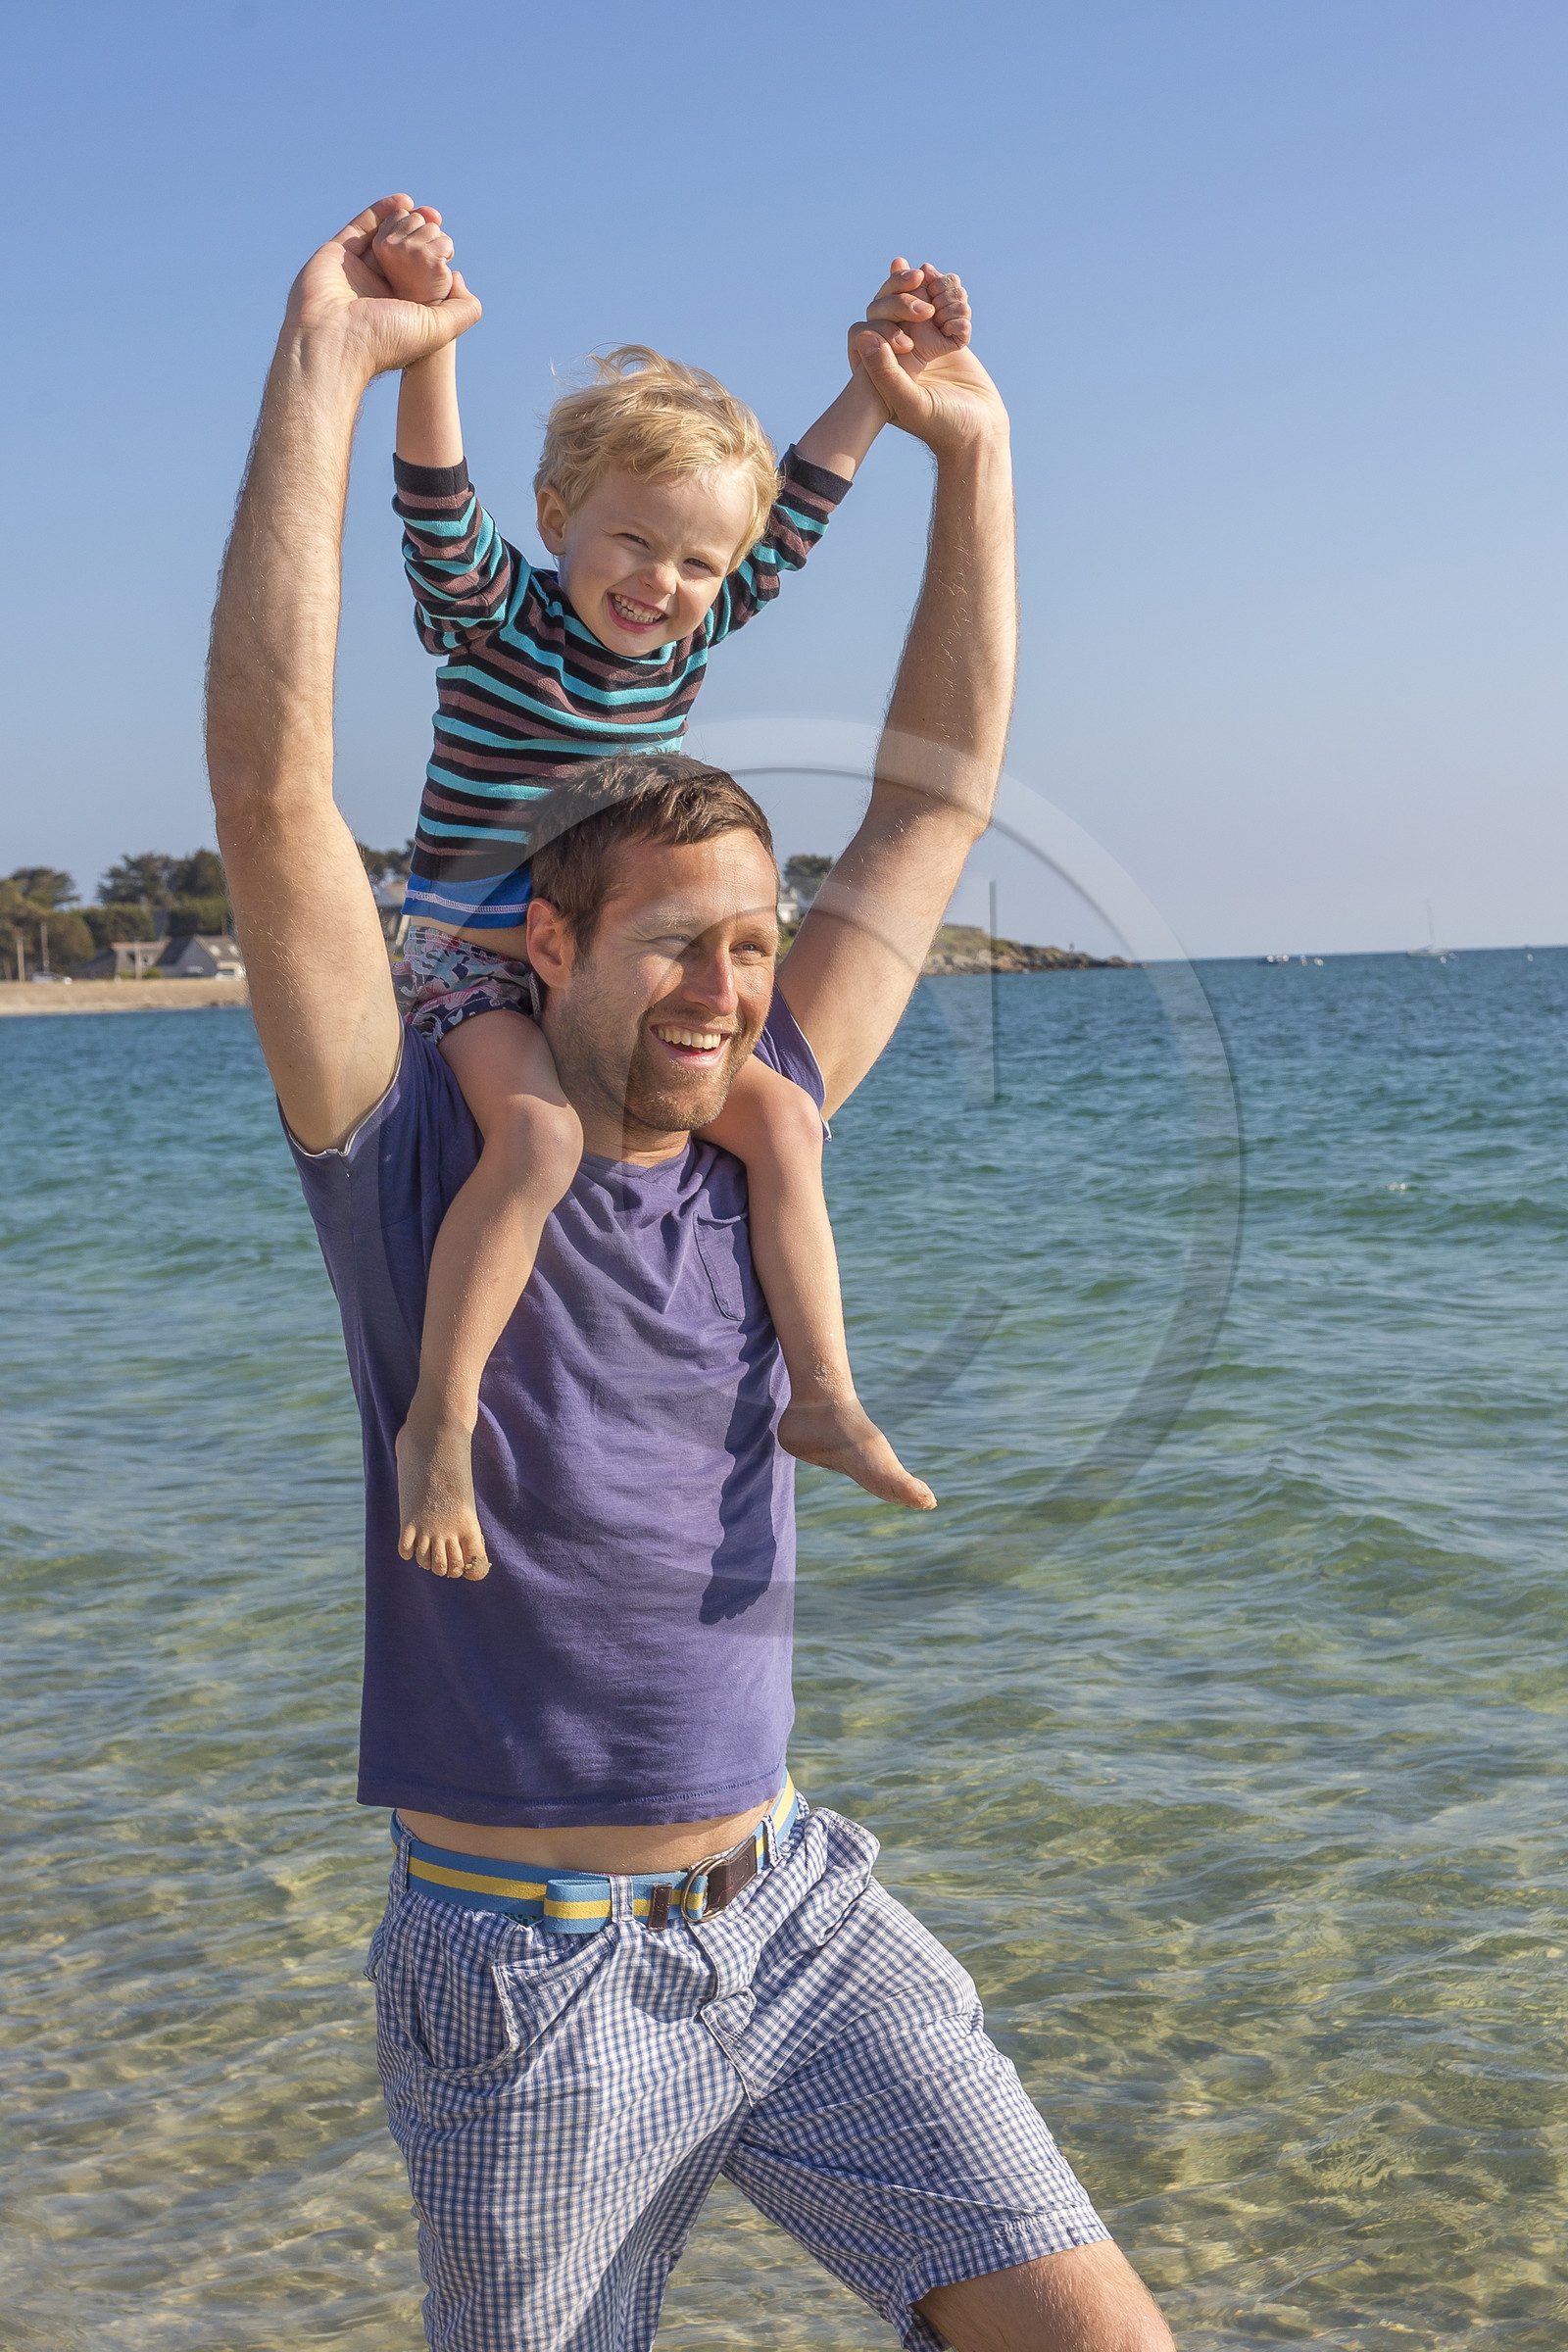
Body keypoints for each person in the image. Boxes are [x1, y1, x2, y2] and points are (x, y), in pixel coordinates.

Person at [206, 196, 1176, 2352]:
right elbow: (274, 796)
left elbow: (929, 813)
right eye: (680, 941)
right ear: (547, 947)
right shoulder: (412, 1143)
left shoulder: (766, 1119)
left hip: (805, 1918)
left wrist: (970, 449)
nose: (735, 985)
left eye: (754, 939)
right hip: (524, 1973)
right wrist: (325, 368)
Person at [370, 202, 955, 1572]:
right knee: (540, 1143)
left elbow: (797, 511)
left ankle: (823, 1396)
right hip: (474, 959)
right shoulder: (497, 617)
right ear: (562, 518)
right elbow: (431, 500)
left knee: (784, 1122)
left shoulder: (696, 627)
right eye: (636, 544)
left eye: (698, 562)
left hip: (612, 961)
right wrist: (430, 339)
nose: (667, 584)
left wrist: (877, 374)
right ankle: (440, 1425)